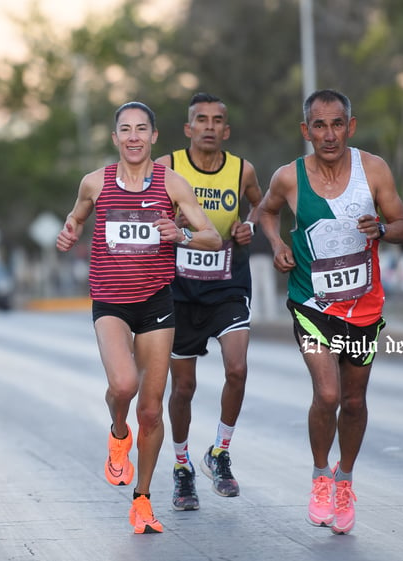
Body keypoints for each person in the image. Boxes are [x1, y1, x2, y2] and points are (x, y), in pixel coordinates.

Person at [56, 101, 221, 534]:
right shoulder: (95, 183)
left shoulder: (172, 184)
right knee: (123, 385)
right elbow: (76, 215)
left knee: (150, 411)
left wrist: (181, 234)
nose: (133, 136)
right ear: (115, 139)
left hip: (156, 303)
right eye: (125, 129)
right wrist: (69, 229)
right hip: (110, 302)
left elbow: (213, 237)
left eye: (141, 129)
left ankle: (143, 499)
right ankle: (116, 433)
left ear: (153, 137)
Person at [256, 89, 403, 535]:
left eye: (337, 124)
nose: (329, 134)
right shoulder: (289, 178)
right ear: (305, 131)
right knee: (327, 394)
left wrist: (382, 228)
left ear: (351, 126)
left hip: (363, 306)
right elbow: (265, 213)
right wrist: (278, 242)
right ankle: (320, 475)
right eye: (319, 126)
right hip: (311, 303)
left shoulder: (374, 169)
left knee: (354, 400)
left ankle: (345, 479)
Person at [154, 93, 264, 510]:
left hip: (227, 283)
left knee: (237, 368)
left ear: (227, 130)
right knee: (184, 386)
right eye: (201, 120)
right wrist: (169, 221)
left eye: (218, 120)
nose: (210, 127)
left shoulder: (241, 169)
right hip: (180, 289)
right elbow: (143, 209)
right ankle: (182, 466)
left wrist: (248, 227)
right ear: (188, 129)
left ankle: (219, 451)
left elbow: (260, 203)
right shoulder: (168, 167)